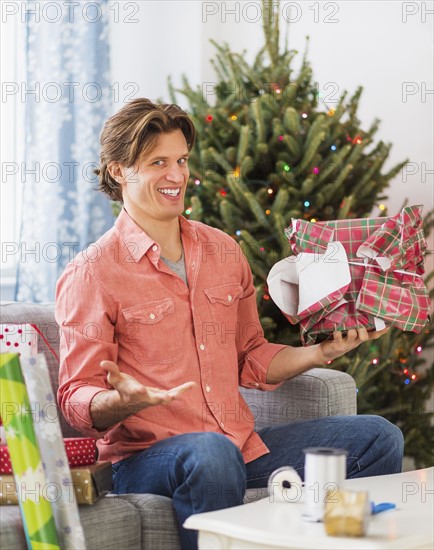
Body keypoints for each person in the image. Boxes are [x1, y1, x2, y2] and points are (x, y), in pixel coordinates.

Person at [56, 98, 404, 550]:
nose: (177, 175)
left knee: (378, 437)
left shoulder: (222, 251)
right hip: (145, 459)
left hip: (235, 446)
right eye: (158, 162)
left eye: (181, 160)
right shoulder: (94, 272)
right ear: (119, 170)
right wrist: (119, 401)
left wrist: (322, 352)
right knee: (209, 451)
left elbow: (251, 356)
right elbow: (75, 396)